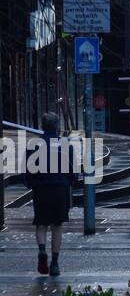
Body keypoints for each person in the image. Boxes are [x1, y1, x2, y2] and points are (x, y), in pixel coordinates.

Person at [26, 113, 75, 276]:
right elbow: (73, 172)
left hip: (41, 189)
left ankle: (41, 250)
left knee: (41, 224)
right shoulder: (66, 144)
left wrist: (32, 184)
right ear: (57, 127)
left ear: (42, 126)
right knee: (57, 226)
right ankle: (54, 264)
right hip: (60, 189)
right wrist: (68, 182)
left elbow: (27, 171)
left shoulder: (34, 144)